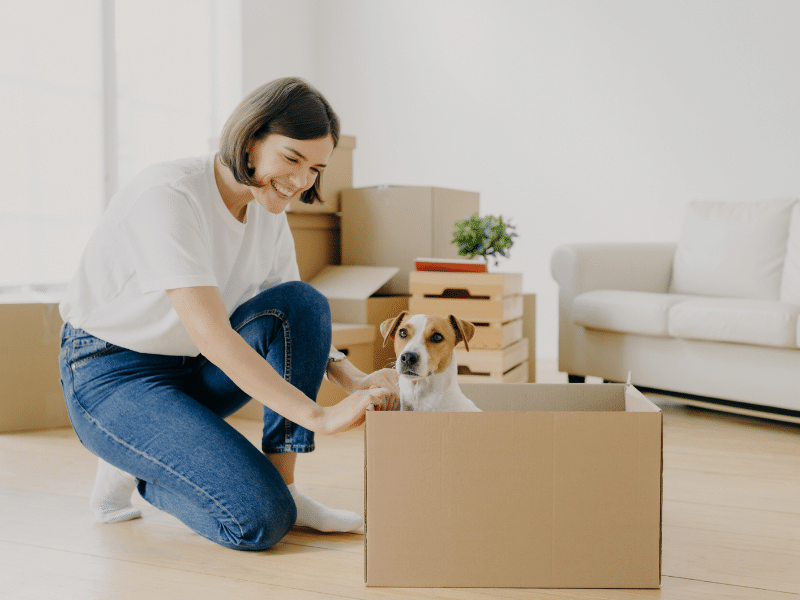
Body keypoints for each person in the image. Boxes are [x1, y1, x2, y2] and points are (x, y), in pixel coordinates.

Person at [58, 77, 399, 551]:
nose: (301, 182)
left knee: (301, 301)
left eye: (315, 168)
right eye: (291, 159)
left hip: (191, 369)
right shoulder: (170, 195)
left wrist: (354, 380)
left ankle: (288, 487)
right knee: (259, 521)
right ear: (250, 138)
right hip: (111, 374)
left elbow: (293, 318)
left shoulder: (268, 209)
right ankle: (142, 467)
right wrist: (320, 416)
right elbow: (214, 334)